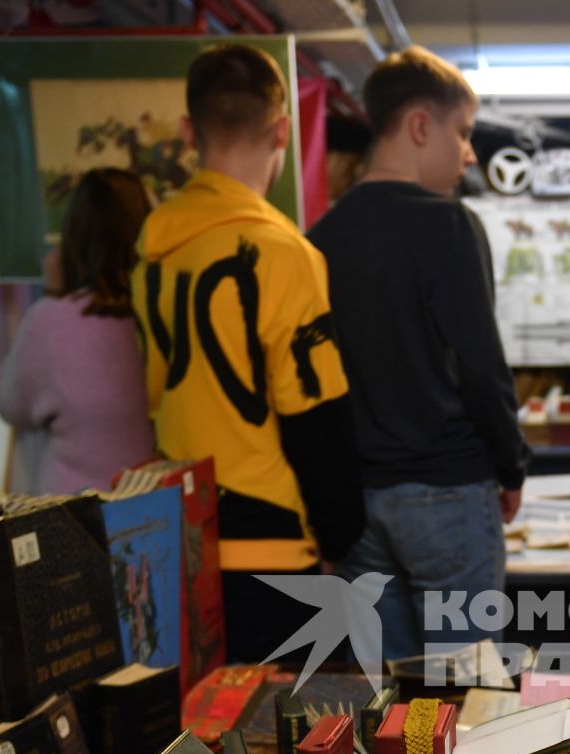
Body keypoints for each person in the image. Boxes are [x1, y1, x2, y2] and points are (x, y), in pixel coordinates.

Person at [132, 44, 352, 661]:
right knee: (300, 744)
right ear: (282, 129)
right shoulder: (285, 254)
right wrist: (340, 533)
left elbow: (155, 392)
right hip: (275, 553)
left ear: (186, 131)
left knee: (200, 747)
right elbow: (318, 418)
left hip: (182, 545)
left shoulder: (154, 245)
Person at [311, 47, 529, 664]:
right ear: (418, 126)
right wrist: (510, 465)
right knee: (468, 696)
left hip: (360, 504)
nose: (469, 154)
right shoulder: (450, 225)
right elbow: (483, 367)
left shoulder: (319, 238)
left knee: (387, 703)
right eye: (462, 133)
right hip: (448, 494)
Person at [0, 168, 155, 494]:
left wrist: (53, 295)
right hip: (160, 509)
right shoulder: (162, 313)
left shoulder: (53, 319)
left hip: (75, 516)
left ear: (73, 238)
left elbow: (5, 400)